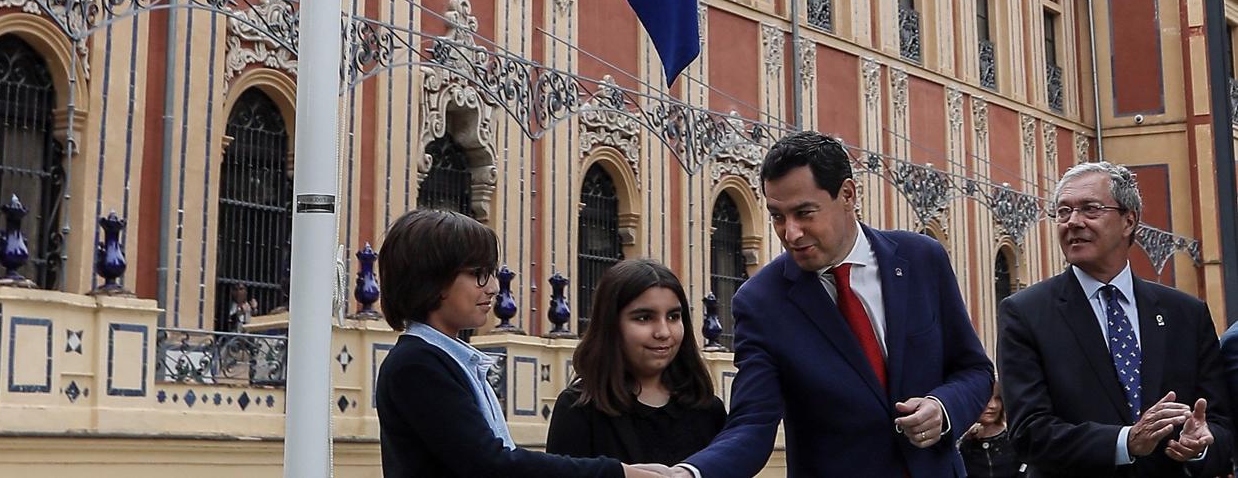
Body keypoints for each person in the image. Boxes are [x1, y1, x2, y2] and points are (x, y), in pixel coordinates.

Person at [658, 131, 994, 477]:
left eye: (804, 213)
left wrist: (943, 408)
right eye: (777, 216)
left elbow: (975, 371)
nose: (790, 233)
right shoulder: (761, 302)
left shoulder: (922, 259)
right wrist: (689, 474)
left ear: (847, 194)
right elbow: (753, 424)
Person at [374, 208, 666, 478]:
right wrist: (618, 473)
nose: (492, 287)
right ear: (432, 280)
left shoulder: (449, 360)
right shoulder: (417, 364)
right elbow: (490, 464)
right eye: (478, 274)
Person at [997, 162, 1233, 477]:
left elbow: (1220, 426)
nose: (1073, 222)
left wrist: (1200, 447)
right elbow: (1029, 432)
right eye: (1063, 212)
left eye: (1089, 209)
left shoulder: (1186, 314)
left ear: (1128, 221)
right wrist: (1125, 442)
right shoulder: (1026, 313)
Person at [546, 259, 727, 464]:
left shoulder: (707, 410)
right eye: (644, 318)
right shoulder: (578, 410)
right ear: (611, 325)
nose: (663, 332)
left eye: (673, 317)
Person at [958, 382, 1024, 477]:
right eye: (986, 399)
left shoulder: (1015, 437)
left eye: (998, 398)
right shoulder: (960, 442)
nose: (993, 405)